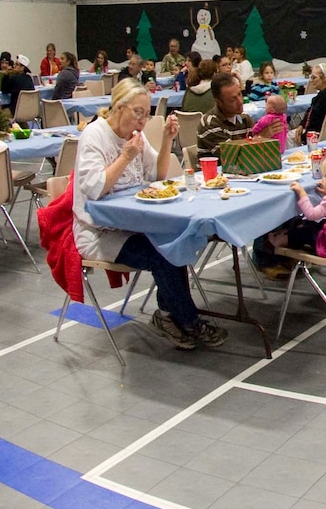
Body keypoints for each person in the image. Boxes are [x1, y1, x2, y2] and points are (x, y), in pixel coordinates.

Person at [73, 78, 224, 350]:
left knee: (175, 241)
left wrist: (166, 140)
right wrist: (125, 157)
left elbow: (158, 175)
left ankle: (167, 315)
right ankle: (190, 321)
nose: (142, 121)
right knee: (163, 255)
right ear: (119, 107)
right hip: (99, 232)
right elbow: (94, 189)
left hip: (134, 224)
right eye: (137, 112)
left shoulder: (136, 136)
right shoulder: (95, 135)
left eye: (147, 114)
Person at [196, 72, 260, 161]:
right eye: (232, 100)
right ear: (219, 102)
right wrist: (262, 139)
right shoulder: (210, 123)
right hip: (216, 169)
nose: (240, 102)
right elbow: (231, 156)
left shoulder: (245, 119)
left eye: (239, 94)